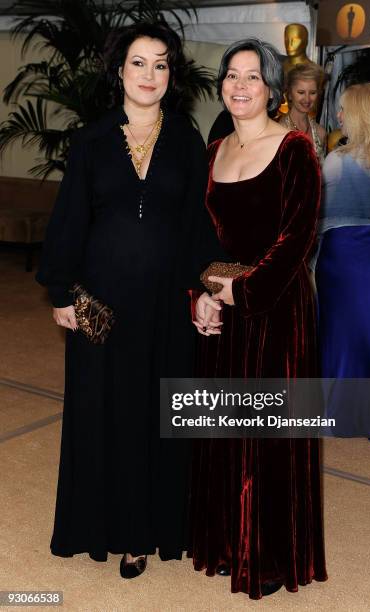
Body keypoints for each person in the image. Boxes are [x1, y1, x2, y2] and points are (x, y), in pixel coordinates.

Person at [36, 22, 215, 578]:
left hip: (164, 304)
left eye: (160, 64)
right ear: (119, 71)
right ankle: (96, 526)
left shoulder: (187, 140)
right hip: (97, 299)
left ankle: (143, 533)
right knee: (97, 408)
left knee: (153, 412)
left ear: (171, 76)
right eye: (139, 63)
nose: (149, 75)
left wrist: (209, 290)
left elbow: (198, 228)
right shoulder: (90, 140)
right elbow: (68, 221)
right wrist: (62, 290)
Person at [188, 38, 327, 599]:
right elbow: (193, 236)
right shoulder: (213, 149)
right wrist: (198, 294)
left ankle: (268, 555)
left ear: (271, 89)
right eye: (231, 75)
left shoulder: (295, 149)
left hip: (275, 314)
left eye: (252, 76)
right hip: (222, 313)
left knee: (269, 438)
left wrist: (239, 291)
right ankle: (225, 542)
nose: (239, 85)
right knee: (222, 433)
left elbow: (298, 240)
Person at [315, 83, 370, 441]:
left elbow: (316, 215)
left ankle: (337, 414)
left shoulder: (337, 161)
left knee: (338, 337)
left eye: (343, 109)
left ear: (359, 115)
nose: (338, 115)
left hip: (341, 258)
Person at [278, 63, 326, 162]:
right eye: (301, 92)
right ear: (290, 94)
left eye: (312, 93)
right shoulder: (279, 131)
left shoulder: (321, 132)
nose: (307, 99)